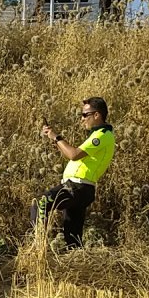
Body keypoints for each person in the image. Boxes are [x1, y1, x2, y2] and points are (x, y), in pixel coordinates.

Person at [33, 97, 116, 250]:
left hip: (77, 186)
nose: (82, 119)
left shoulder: (102, 135)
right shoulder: (99, 134)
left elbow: (73, 154)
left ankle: (37, 250)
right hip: (82, 189)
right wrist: (56, 141)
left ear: (97, 115)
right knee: (72, 237)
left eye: (85, 115)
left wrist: (56, 137)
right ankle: (79, 265)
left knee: (40, 203)